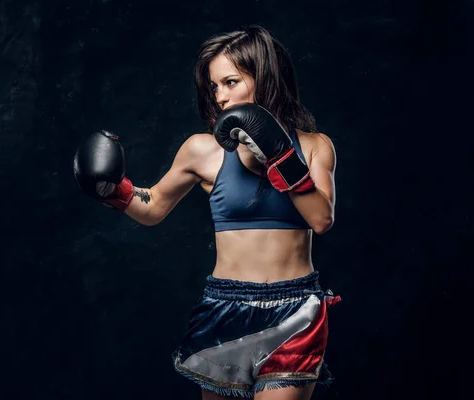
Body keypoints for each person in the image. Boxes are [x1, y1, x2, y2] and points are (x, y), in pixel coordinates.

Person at [73, 25, 340, 400]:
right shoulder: (203, 150)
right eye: (215, 87)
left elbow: (321, 219)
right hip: (224, 307)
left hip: (294, 310)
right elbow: (154, 207)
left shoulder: (314, 146)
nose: (220, 97)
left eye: (230, 82)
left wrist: (280, 154)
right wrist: (113, 190)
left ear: (264, 76)